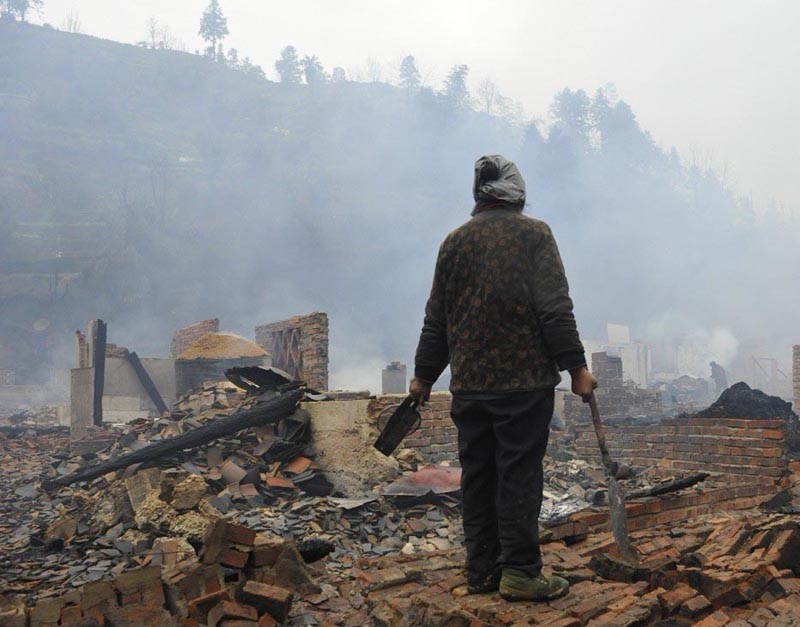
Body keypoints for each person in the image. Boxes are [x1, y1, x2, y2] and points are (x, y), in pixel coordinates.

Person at [409, 155, 596, 602]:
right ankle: (520, 573)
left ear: (479, 194)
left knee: (478, 479)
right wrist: (576, 368)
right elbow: (554, 309)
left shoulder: (454, 243)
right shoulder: (535, 235)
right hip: (523, 386)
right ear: (517, 192)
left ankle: (481, 572)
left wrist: (423, 375)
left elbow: (437, 319)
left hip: (470, 387)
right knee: (518, 477)